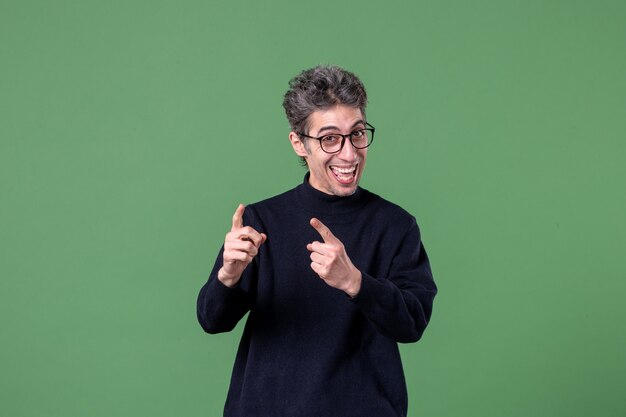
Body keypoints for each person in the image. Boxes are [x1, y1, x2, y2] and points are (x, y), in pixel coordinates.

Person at [197, 65, 437, 417]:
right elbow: (211, 320)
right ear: (299, 143)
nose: (349, 154)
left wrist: (355, 282)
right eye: (329, 139)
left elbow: (413, 323)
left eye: (357, 134)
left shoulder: (395, 225)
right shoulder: (261, 222)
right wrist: (227, 278)